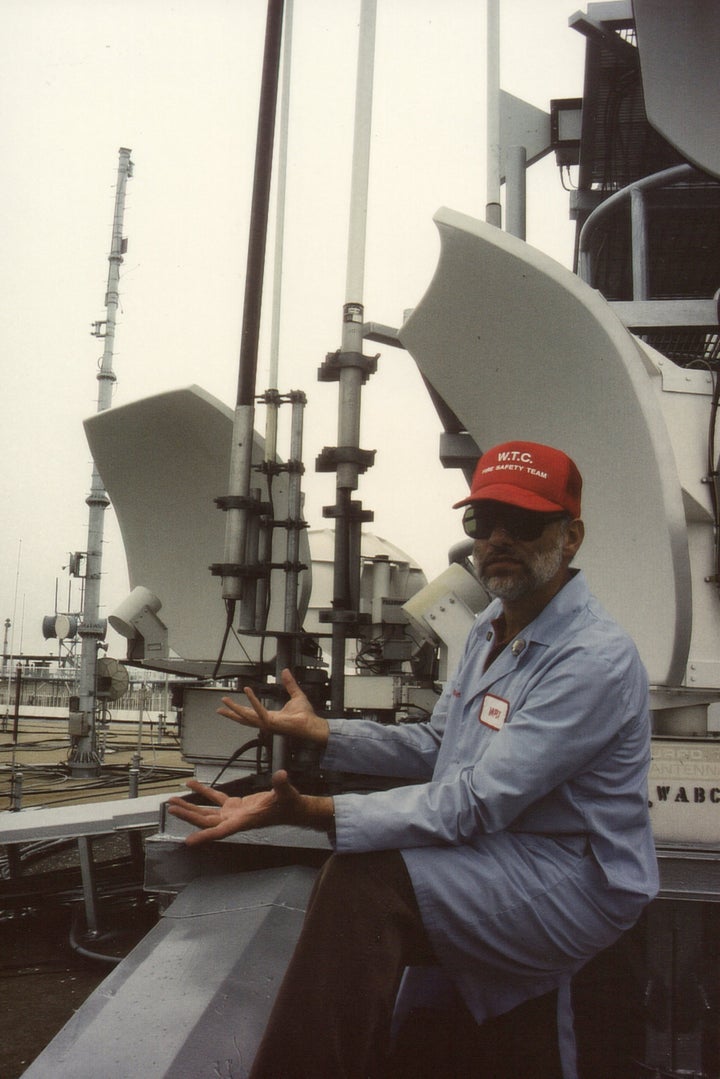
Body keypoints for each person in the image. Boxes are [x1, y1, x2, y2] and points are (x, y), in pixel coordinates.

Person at [168, 440, 659, 1079]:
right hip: (503, 851)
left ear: (570, 538)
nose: (498, 539)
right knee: (368, 891)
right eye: (483, 522)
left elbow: (476, 800)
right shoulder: (489, 627)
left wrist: (313, 811)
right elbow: (437, 748)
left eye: (526, 523)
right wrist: (324, 732)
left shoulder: (592, 659)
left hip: (571, 874)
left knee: (365, 881)